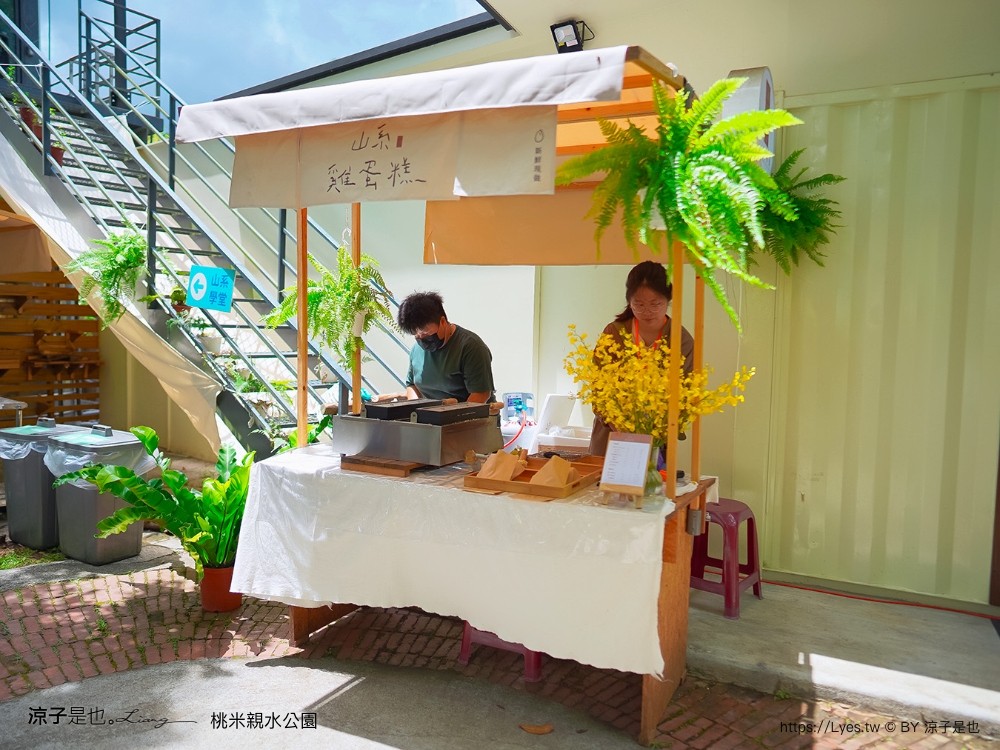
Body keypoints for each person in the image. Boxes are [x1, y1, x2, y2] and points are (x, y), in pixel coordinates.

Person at [588, 261, 695, 457]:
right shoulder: (615, 333)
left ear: (668, 300)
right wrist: (619, 424)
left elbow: (684, 394)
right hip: (612, 437)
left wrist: (651, 427)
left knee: (653, 484)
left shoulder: (681, 340)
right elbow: (599, 387)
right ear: (629, 301)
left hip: (657, 439)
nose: (647, 311)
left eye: (655, 304)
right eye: (639, 304)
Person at [396, 291, 495, 404]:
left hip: (469, 417)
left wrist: (452, 416)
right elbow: (412, 385)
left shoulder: (471, 347)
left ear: (442, 321)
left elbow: (480, 394)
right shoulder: (416, 350)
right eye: (416, 334)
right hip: (428, 416)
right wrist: (415, 407)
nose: (421, 338)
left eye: (425, 333)